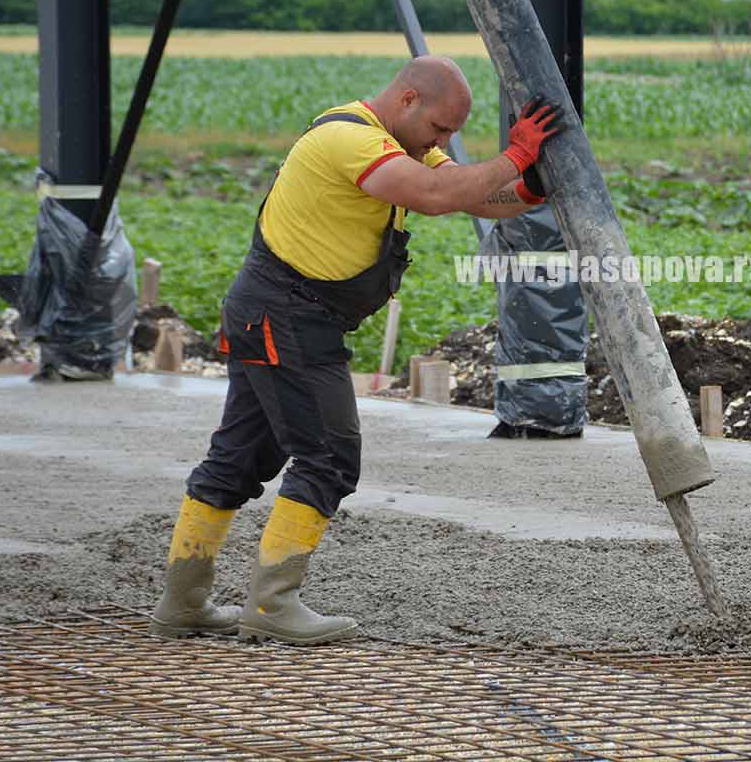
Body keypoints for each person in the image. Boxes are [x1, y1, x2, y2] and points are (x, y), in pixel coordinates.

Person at [149, 55, 560, 645]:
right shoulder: (350, 139)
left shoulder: (405, 147)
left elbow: (476, 196)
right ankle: (271, 606)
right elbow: (437, 195)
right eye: (441, 129)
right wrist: (515, 154)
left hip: (277, 314)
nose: (443, 142)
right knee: (329, 456)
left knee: (239, 457)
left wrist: (529, 183)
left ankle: (181, 604)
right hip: (286, 316)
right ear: (408, 100)